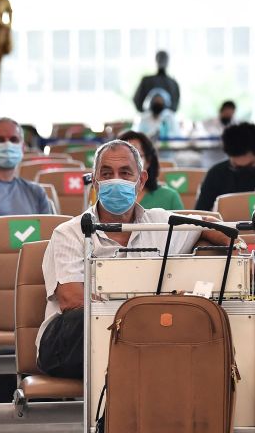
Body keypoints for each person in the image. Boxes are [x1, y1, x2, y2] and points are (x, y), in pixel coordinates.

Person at [37, 139, 230, 379]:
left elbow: (208, 226)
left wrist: (239, 247)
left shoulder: (159, 224)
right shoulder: (70, 232)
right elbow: (72, 300)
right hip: (71, 343)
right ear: (95, 182)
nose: (116, 180)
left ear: (142, 180)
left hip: (140, 339)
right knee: (89, 319)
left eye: (125, 173)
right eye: (107, 173)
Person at [118, 130, 184, 210]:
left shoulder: (170, 197)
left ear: (148, 161)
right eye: (121, 157)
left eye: (136, 156)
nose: (127, 163)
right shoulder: (106, 197)